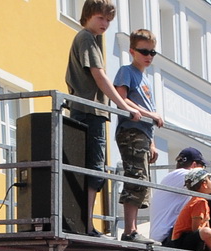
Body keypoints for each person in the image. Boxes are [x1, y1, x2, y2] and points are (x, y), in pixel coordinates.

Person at [65, 0, 139, 231]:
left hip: (87, 110)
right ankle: (86, 223)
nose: (105, 23)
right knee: (94, 169)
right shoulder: (86, 37)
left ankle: (84, 222)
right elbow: (99, 76)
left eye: (108, 20)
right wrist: (123, 106)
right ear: (88, 15)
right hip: (90, 111)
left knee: (87, 168)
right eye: (101, 18)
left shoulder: (90, 39)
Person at [112, 27, 166, 241]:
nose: (149, 57)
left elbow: (146, 114)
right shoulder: (127, 71)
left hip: (142, 133)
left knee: (142, 179)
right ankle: (129, 230)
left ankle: (132, 229)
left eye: (152, 52)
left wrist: (152, 142)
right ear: (133, 51)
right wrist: (148, 113)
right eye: (145, 52)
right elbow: (121, 98)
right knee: (135, 177)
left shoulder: (147, 79)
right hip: (130, 130)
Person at [168, 168, 211, 251]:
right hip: (182, 241)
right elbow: (195, 229)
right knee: (207, 232)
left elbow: (206, 226)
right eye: (209, 179)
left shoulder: (202, 201)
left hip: (196, 237)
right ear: (204, 184)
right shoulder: (199, 201)